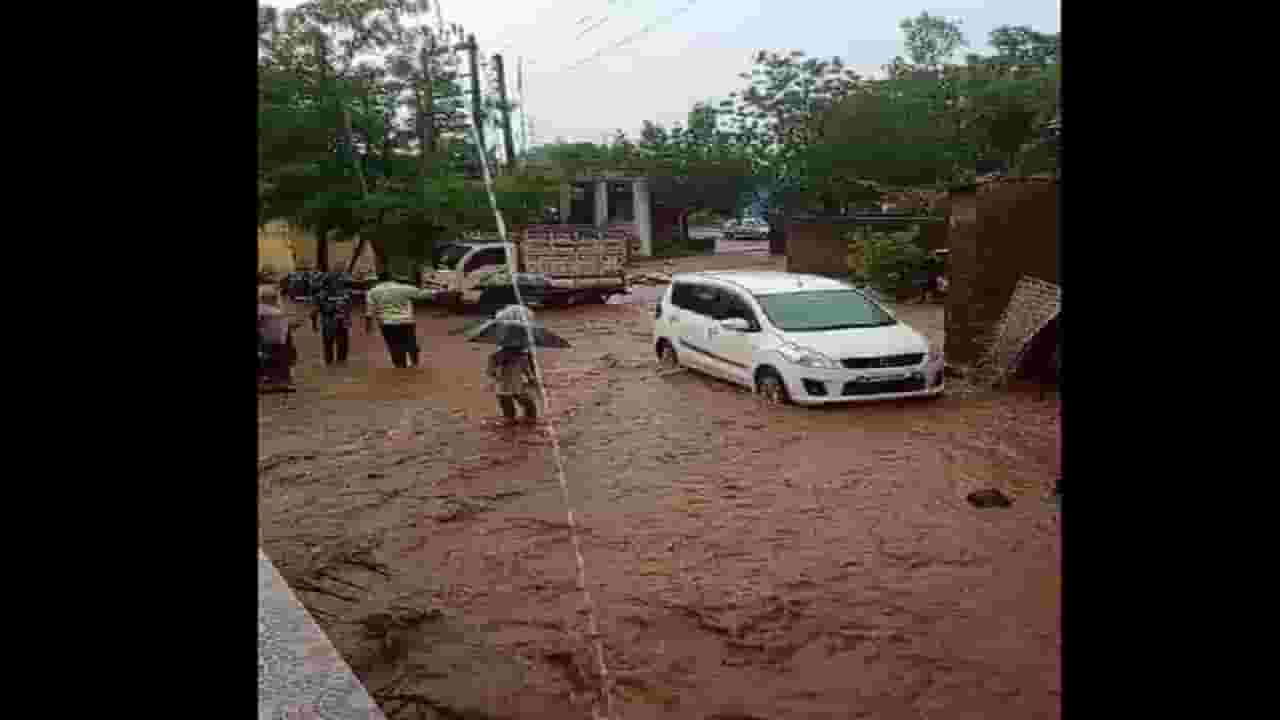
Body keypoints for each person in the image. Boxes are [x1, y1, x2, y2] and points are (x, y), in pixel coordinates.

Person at [365, 271, 434, 368]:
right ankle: (414, 361)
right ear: (392, 278)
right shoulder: (403, 288)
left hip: (386, 322)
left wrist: (368, 326)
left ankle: (400, 365)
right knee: (410, 341)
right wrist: (436, 292)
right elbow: (422, 294)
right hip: (405, 321)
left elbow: (369, 311)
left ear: (379, 280)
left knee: (393, 345)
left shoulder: (372, 292)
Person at [487, 338, 539, 425]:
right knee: (530, 410)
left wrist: (497, 374)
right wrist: (533, 381)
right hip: (516, 387)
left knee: (509, 416)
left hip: (502, 389)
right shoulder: (522, 357)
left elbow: (490, 372)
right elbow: (528, 373)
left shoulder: (495, 356)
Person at [258, 287, 298, 390]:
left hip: (279, 341)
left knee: (280, 361)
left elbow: (283, 324)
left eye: (274, 297)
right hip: (267, 341)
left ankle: (280, 381)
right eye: (271, 297)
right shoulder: (262, 309)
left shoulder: (276, 309)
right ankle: (268, 382)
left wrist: (291, 325)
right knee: (268, 361)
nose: (274, 299)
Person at [311, 272, 353, 366]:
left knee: (337, 348)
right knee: (334, 348)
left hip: (336, 323)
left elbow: (348, 308)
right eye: (336, 281)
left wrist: (314, 325)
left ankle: (335, 368)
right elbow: (314, 312)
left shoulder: (342, 293)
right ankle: (337, 367)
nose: (338, 283)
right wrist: (314, 325)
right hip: (331, 322)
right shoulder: (323, 295)